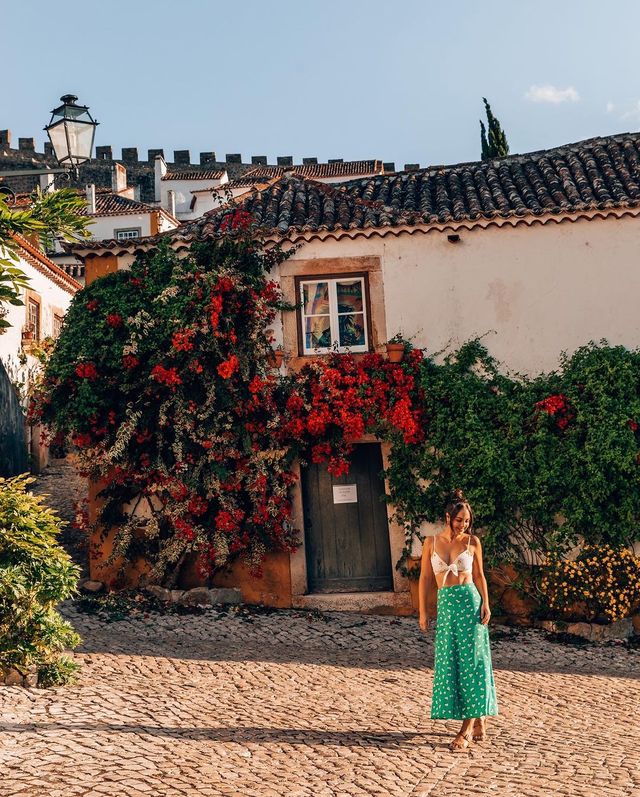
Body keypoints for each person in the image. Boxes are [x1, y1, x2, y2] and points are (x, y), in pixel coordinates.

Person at [418, 489, 498, 751]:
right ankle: (478, 718)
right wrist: (423, 611)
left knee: (472, 664)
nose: (463, 525)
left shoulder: (472, 542)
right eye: (459, 520)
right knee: (452, 664)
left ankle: (465, 730)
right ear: (448, 517)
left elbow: (479, 576)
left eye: (466, 521)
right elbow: (425, 579)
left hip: (470, 605)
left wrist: (486, 603)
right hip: (447, 608)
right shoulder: (430, 542)